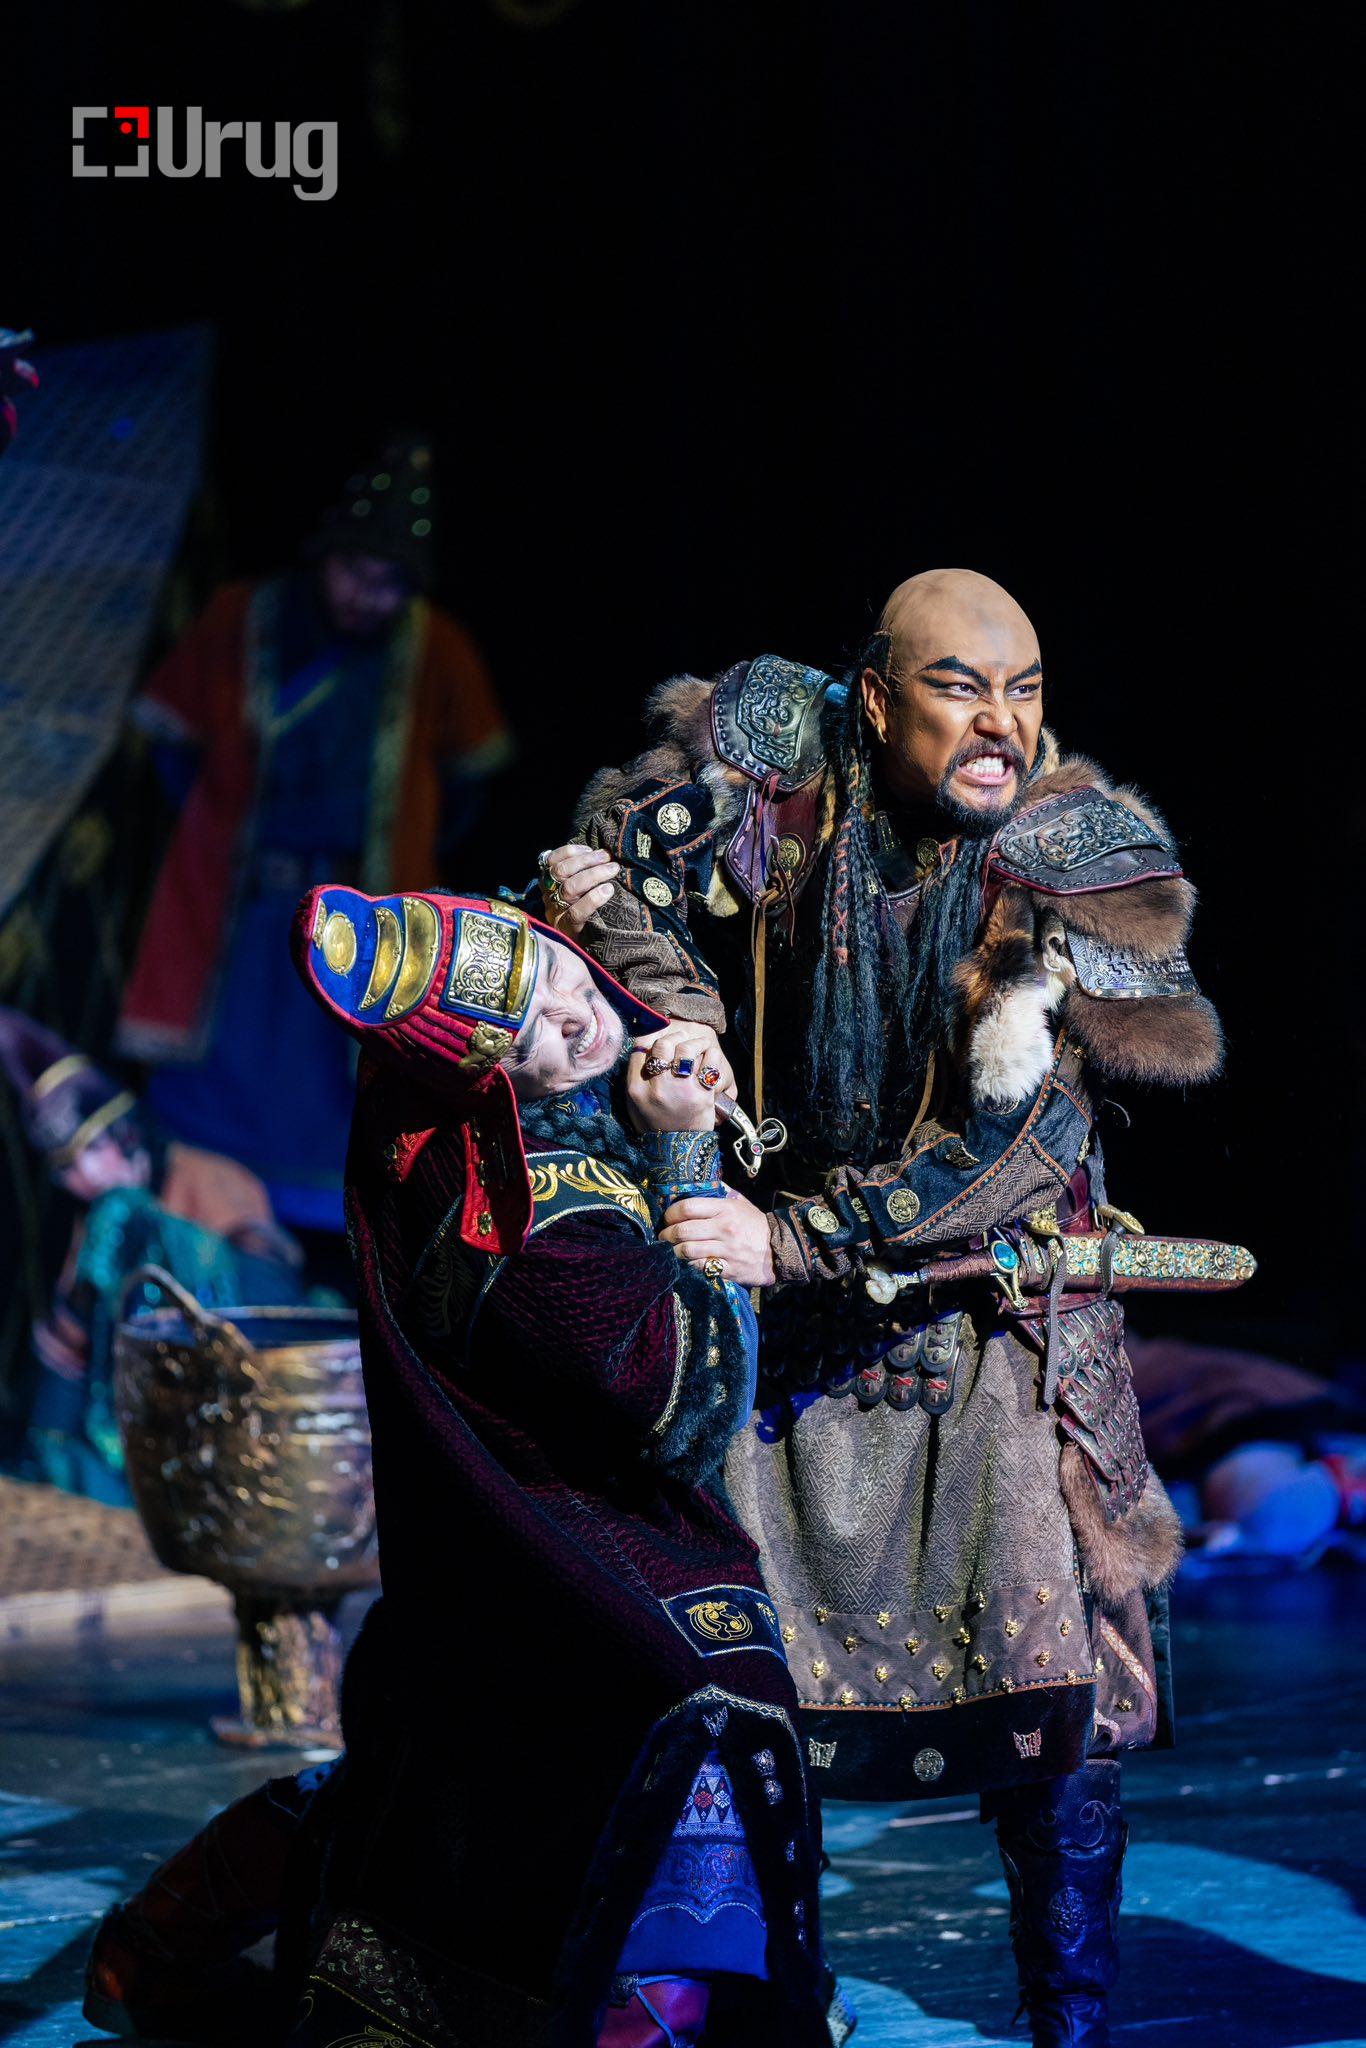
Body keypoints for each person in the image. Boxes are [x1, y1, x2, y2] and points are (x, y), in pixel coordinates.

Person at [540, 567, 1252, 2048]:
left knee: (1059, 1694)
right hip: (781, 1312)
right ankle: (750, 2001)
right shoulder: (767, 765)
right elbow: (628, 908)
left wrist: (796, 1237)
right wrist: (662, 993)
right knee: (722, 1671)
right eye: (957, 686)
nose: (1000, 723)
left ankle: (1070, 2022)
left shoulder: (1072, 853)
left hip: (987, 1312)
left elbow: (1023, 1142)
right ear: (872, 697)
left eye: (1024, 691)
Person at [85, 886, 827, 2048]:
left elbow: (571, 971)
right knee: (703, 1695)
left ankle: (156, 1943)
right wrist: (686, 1162)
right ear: (487, 1073)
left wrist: (613, 937)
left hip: (478, 1534)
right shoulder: (535, 1218)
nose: (580, 1018)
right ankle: (636, 2017)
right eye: (538, 1031)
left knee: (416, 1763)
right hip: (574, 1531)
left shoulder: (425, 1087)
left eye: (568, 974)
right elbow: (689, 1404)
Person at [116, 436, 512, 1258]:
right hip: (244, 909)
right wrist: (217, 833)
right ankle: (203, 1228)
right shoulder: (242, 617)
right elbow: (171, 746)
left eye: (391, 582)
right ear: (327, 558)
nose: (371, 596)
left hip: (360, 917)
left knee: (342, 1087)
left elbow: (470, 780)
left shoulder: (433, 646)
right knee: (222, 1078)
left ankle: (333, 1268)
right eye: (359, 573)